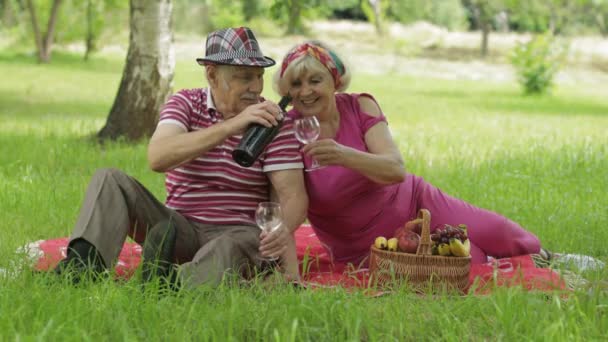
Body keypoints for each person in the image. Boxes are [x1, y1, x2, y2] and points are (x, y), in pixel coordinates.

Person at [54, 27, 308, 288]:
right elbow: (158, 157)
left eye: (259, 76)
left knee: (234, 244)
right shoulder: (185, 102)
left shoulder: (273, 121)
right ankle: (81, 270)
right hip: (180, 227)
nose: (255, 87)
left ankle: (169, 285)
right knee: (109, 179)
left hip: (238, 232)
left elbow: (294, 196)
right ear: (211, 74)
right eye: (244, 77)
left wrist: (280, 231)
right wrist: (231, 126)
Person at [273, 41, 541, 266]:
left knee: (502, 233)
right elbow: (292, 199)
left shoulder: (360, 106)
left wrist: (343, 156)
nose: (305, 92)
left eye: (315, 80)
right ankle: (502, 264)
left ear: (335, 80)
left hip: (417, 201)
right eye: (295, 84)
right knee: (469, 260)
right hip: (365, 244)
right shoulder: (286, 131)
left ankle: (550, 259)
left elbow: (395, 170)